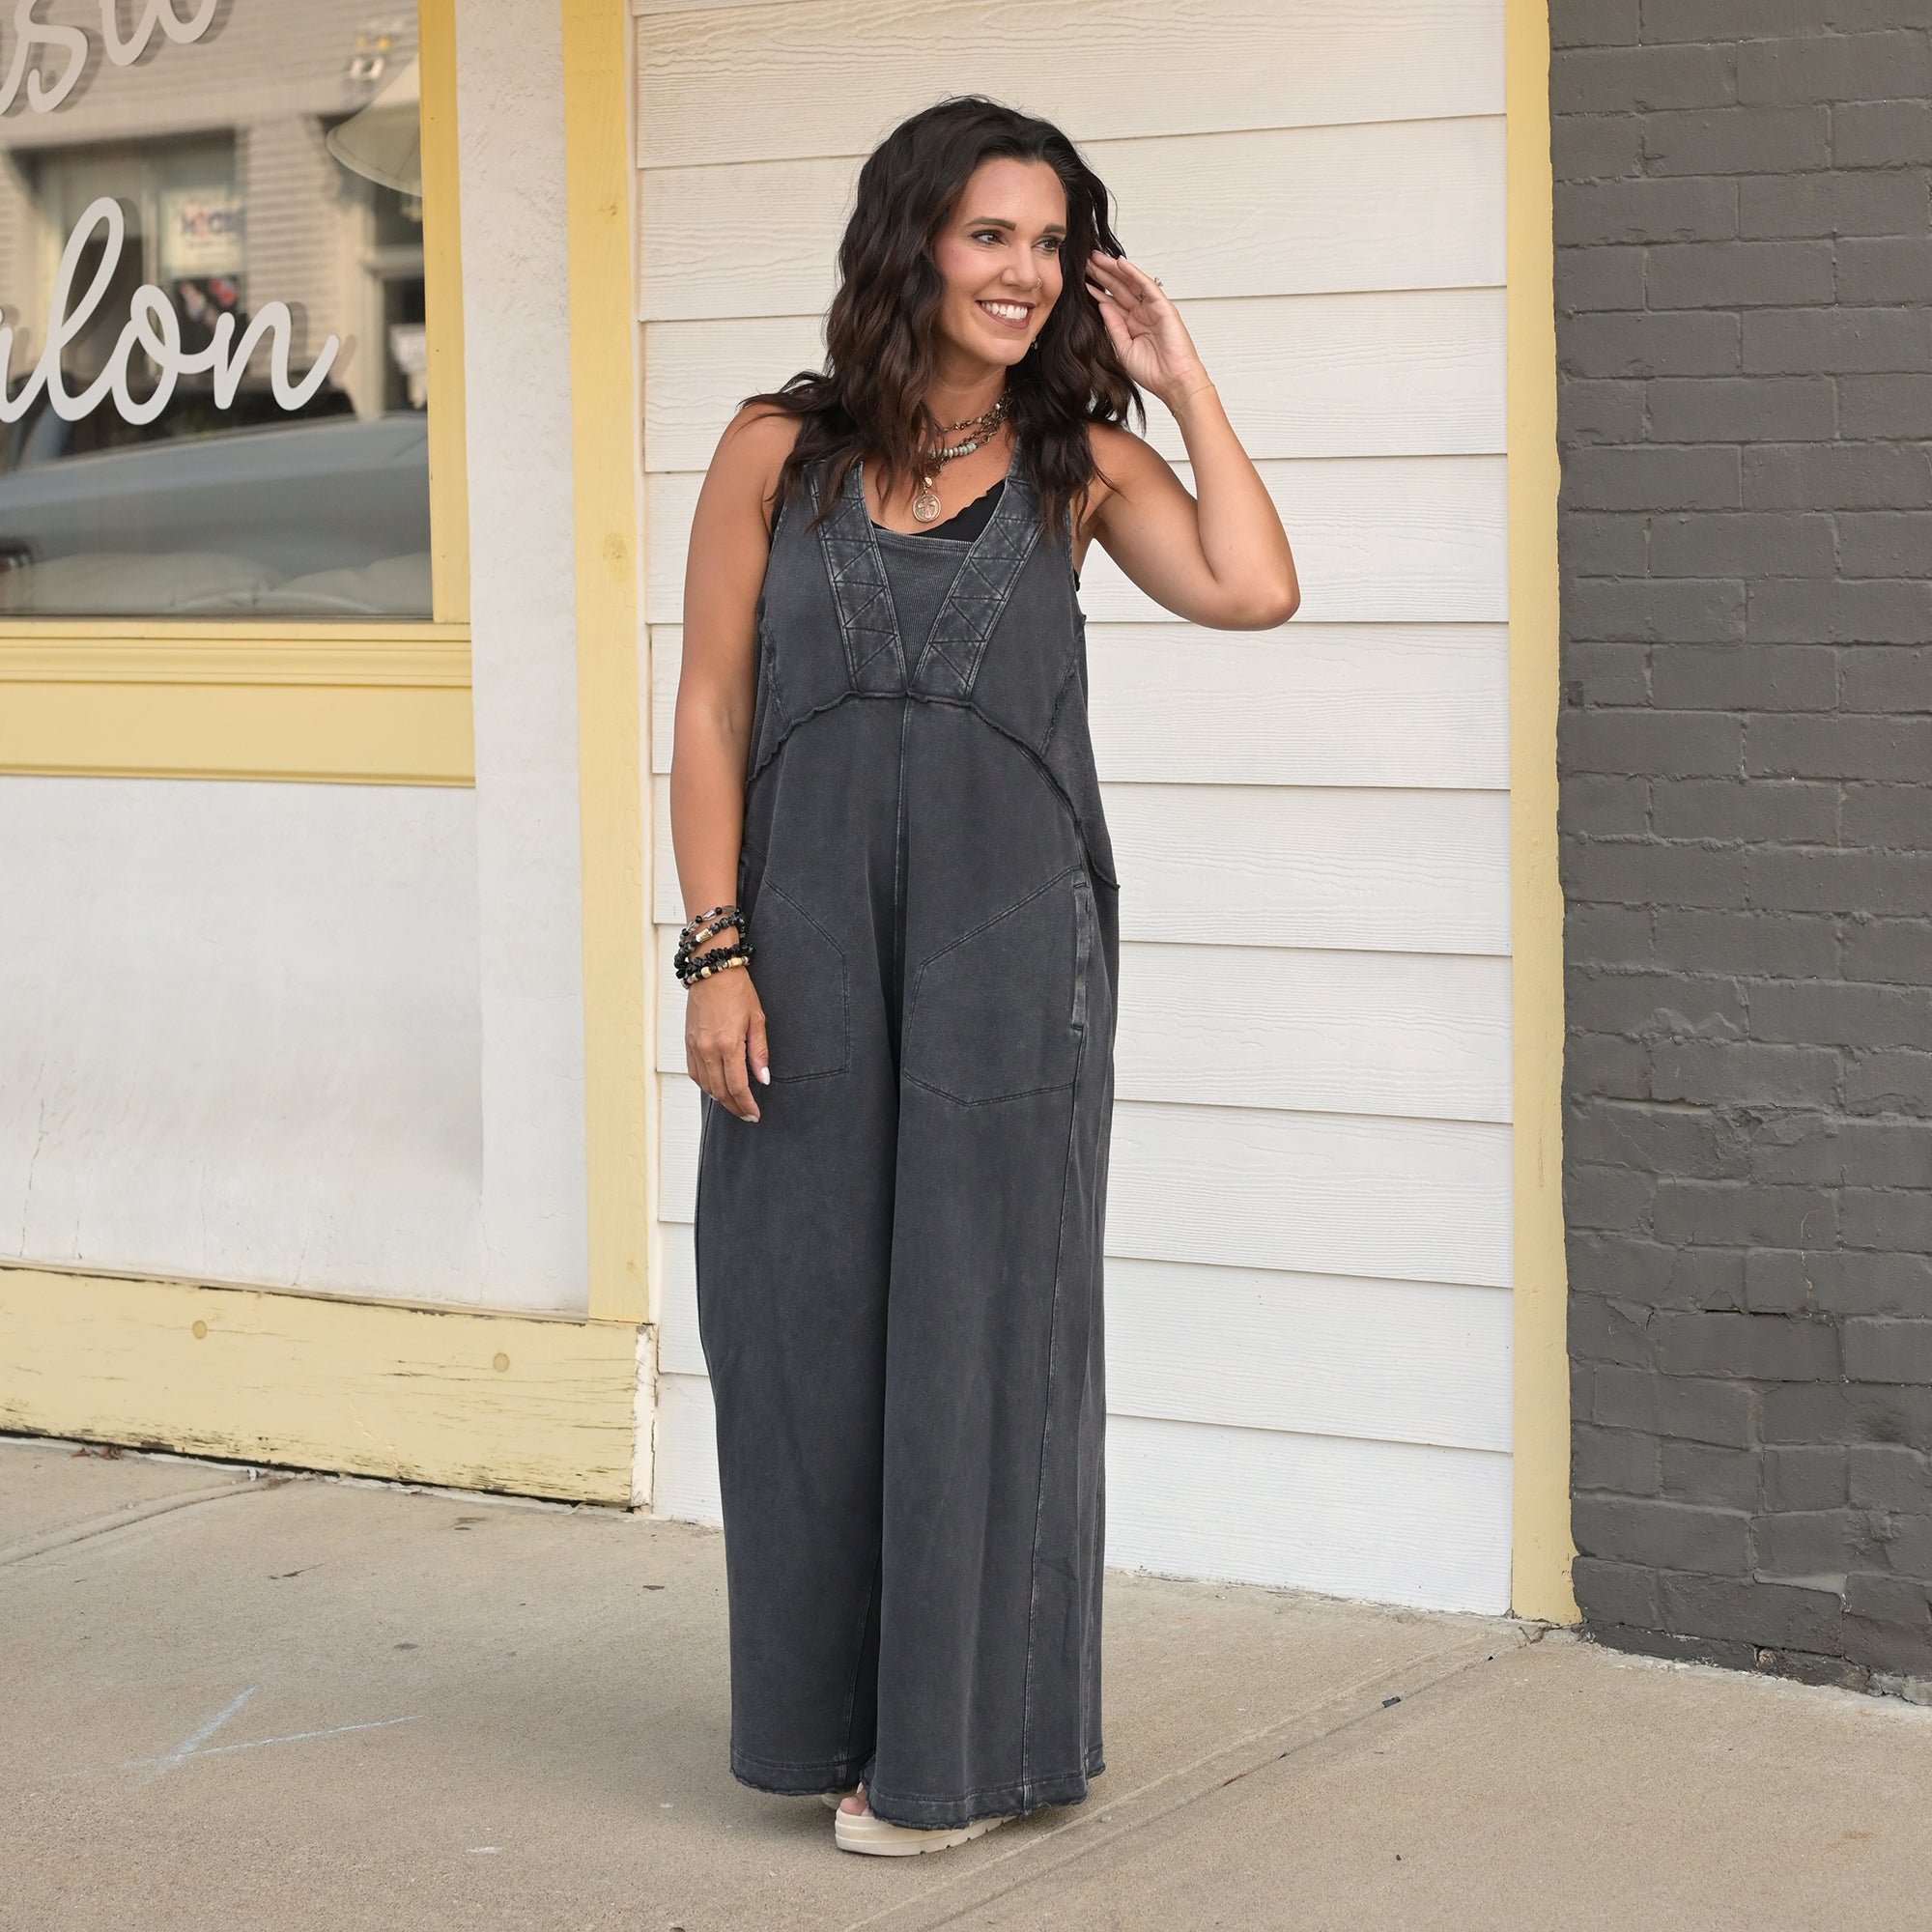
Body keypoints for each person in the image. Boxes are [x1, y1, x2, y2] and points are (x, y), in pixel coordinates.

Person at [668, 94, 1296, 1858]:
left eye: (1049, 241)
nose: (1021, 271)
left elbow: (1252, 588)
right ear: (914, 242)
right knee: (800, 1324)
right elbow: (710, 706)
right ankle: (823, 1722)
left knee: (982, 1337)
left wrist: (1180, 376)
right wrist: (714, 948)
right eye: (989, 234)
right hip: (798, 948)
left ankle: (949, 1762)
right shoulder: (773, 450)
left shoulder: (1077, 462)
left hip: (1010, 957)